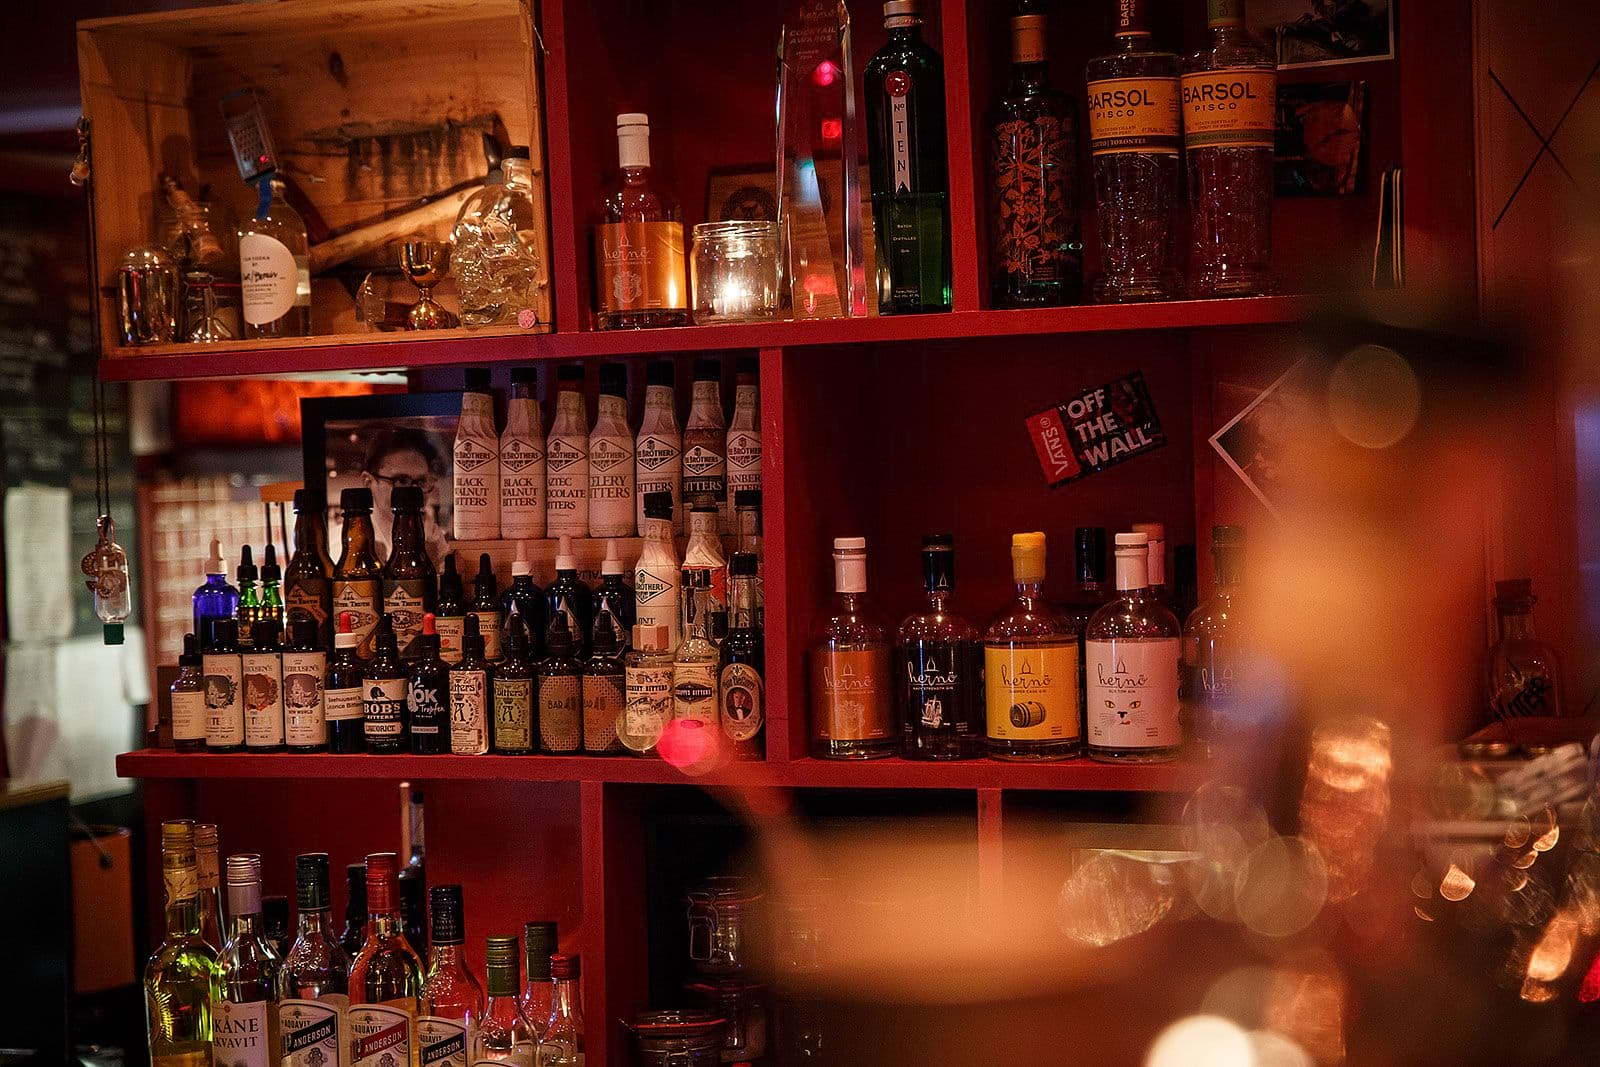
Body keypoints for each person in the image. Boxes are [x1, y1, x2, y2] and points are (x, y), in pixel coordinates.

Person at [357, 427, 450, 562]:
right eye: (401, 481)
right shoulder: (346, 544)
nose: (414, 493)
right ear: (368, 482)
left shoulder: (434, 538)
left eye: (421, 481)